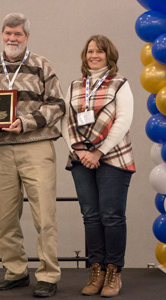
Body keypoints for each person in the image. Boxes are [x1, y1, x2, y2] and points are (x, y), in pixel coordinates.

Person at [0, 13, 65, 298]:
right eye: (8, 33)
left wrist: (26, 122)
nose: (12, 38)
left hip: (36, 145)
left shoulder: (41, 65)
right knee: (7, 216)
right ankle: (15, 271)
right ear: (2, 34)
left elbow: (57, 104)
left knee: (44, 215)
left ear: (26, 37)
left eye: (18, 34)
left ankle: (48, 275)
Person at [61, 35, 136, 298]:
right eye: (90, 51)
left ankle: (114, 272)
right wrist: (78, 150)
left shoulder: (120, 84)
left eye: (100, 51)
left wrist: (99, 152)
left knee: (112, 215)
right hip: (81, 158)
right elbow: (66, 120)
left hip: (114, 158)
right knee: (91, 216)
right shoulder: (73, 85)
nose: (94, 55)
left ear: (109, 55)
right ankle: (96, 270)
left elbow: (123, 121)